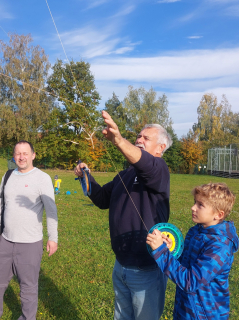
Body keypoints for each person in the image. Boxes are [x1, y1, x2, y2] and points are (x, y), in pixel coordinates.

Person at [74, 110, 172, 320]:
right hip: (121, 265)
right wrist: (85, 175)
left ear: (160, 148)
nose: (139, 139)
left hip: (146, 268)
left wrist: (118, 140)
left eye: (146, 138)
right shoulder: (125, 175)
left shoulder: (160, 169)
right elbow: (101, 199)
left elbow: (144, 162)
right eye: (139, 136)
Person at [0, 141, 58, 320]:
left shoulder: (43, 178)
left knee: (28, 288)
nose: (21, 157)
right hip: (6, 241)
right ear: (14, 156)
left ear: (33, 155)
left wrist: (52, 237)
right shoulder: (8, 176)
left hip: (30, 244)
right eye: (17, 154)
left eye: (25, 153)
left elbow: (51, 210)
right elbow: (0, 204)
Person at [147, 182, 239, 320]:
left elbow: (190, 281)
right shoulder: (195, 231)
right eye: (195, 202)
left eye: (200, 205)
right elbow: (187, 265)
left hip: (205, 314)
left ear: (218, 215)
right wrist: (171, 250)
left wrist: (161, 252)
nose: (193, 207)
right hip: (185, 308)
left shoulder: (220, 245)